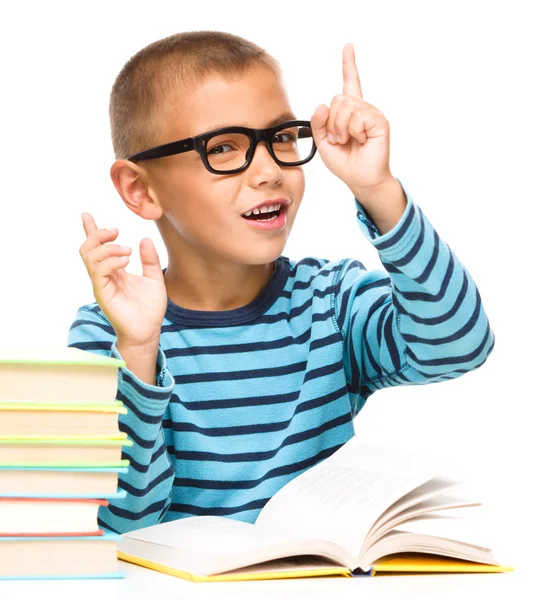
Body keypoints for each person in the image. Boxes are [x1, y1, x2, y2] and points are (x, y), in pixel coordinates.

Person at [68, 31, 494, 534]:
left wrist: (377, 189)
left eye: (282, 137)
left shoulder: (331, 303)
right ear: (141, 189)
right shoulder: (108, 336)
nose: (270, 170)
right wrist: (139, 353)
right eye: (223, 148)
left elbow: (457, 345)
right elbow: (122, 522)